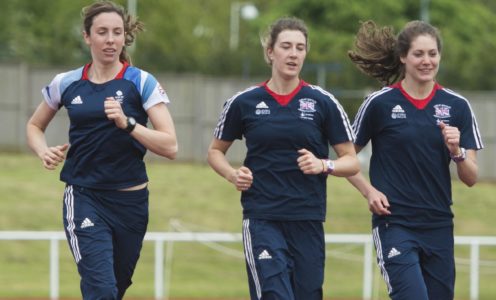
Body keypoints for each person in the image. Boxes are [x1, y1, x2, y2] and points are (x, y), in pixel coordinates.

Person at [26, 1, 178, 298]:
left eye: (117, 32)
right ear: (87, 36)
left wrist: (128, 123)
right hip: (84, 196)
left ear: (124, 37)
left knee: (116, 289)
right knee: (102, 290)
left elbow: (171, 145)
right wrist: (43, 151)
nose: (111, 40)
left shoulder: (141, 81)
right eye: (102, 32)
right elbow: (34, 126)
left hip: (131, 203)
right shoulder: (67, 82)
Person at [207, 17, 359, 300]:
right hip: (263, 217)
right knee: (275, 294)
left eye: (300, 48)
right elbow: (215, 151)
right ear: (270, 52)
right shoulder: (244, 102)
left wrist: (323, 165)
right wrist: (232, 174)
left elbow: (352, 161)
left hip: (308, 218)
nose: (293, 54)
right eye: (286, 46)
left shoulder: (323, 102)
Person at [347, 20, 484, 300]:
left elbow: (471, 177)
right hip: (394, 223)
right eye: (418, 54)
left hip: (438, 224)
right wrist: (369, 191)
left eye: (432, 54)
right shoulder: (379, 104)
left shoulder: (458, 106)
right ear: (403, 57)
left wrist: (456, 151)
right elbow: (344, 157)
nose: (426, 61)